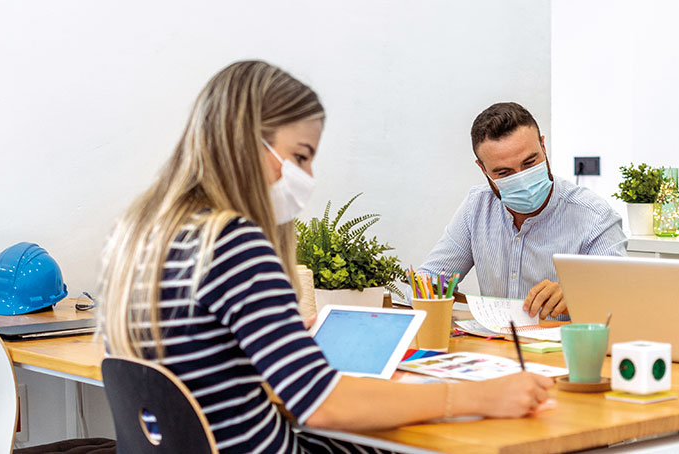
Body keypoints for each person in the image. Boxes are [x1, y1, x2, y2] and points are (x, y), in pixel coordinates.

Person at [98, 61, 554, 454]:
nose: (307, 176)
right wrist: (477, 397)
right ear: (244, 143)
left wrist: (284, 337)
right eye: (299, 156)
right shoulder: (232, 244)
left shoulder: (141, 237)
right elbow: (323, 402)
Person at [418, 102, 626, 320]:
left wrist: (579, 296)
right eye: (504, 172)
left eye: (529, 163)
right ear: (483, 169)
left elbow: (623, 302)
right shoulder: (477, 207)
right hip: (496, 347)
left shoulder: (595, 217)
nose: (522, 179)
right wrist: (429, 293)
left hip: (562, 350)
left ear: (543, 146)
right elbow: (428, 279)